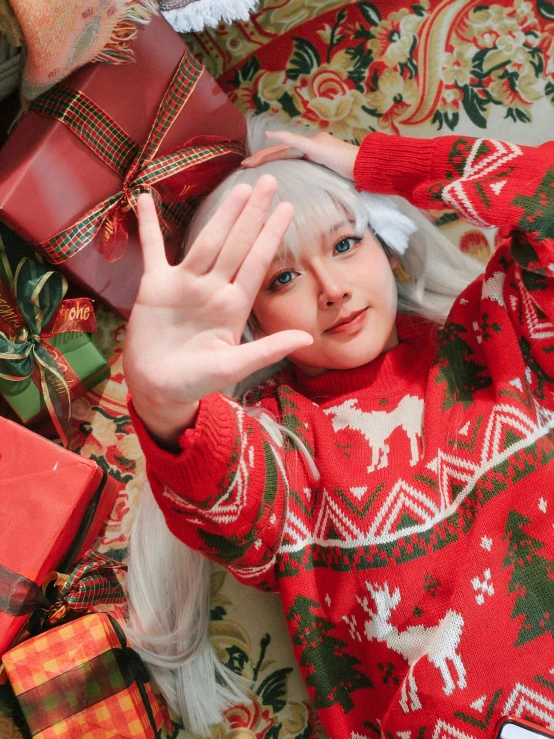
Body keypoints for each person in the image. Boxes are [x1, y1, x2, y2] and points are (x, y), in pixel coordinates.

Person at [123, 115, 554, 739]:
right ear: (254, 321)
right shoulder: (283, 444)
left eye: (346, 243)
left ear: (388, 240)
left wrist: (376, 166)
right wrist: (166, 403)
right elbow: (223, 494)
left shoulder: (500, 334)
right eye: (284, 278)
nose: (331, 289)